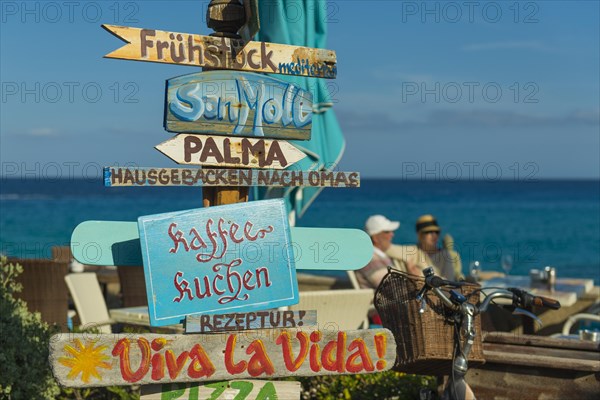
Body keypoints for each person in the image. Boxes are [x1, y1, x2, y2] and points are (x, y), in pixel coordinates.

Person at [387, 214, 463, 280]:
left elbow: (448, 283)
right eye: (428, 232)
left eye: (436, 232)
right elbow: (388, 248)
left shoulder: (445, 255)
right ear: (420, 235)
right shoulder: (414, 251)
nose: (434, 235)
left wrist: (420, 275)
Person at [356, 215, 420, 289]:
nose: (392, 234)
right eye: (387, 232)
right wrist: (414, 278)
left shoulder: (379, 256)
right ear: (375, 238)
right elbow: (392, 289)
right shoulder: (370, 260)